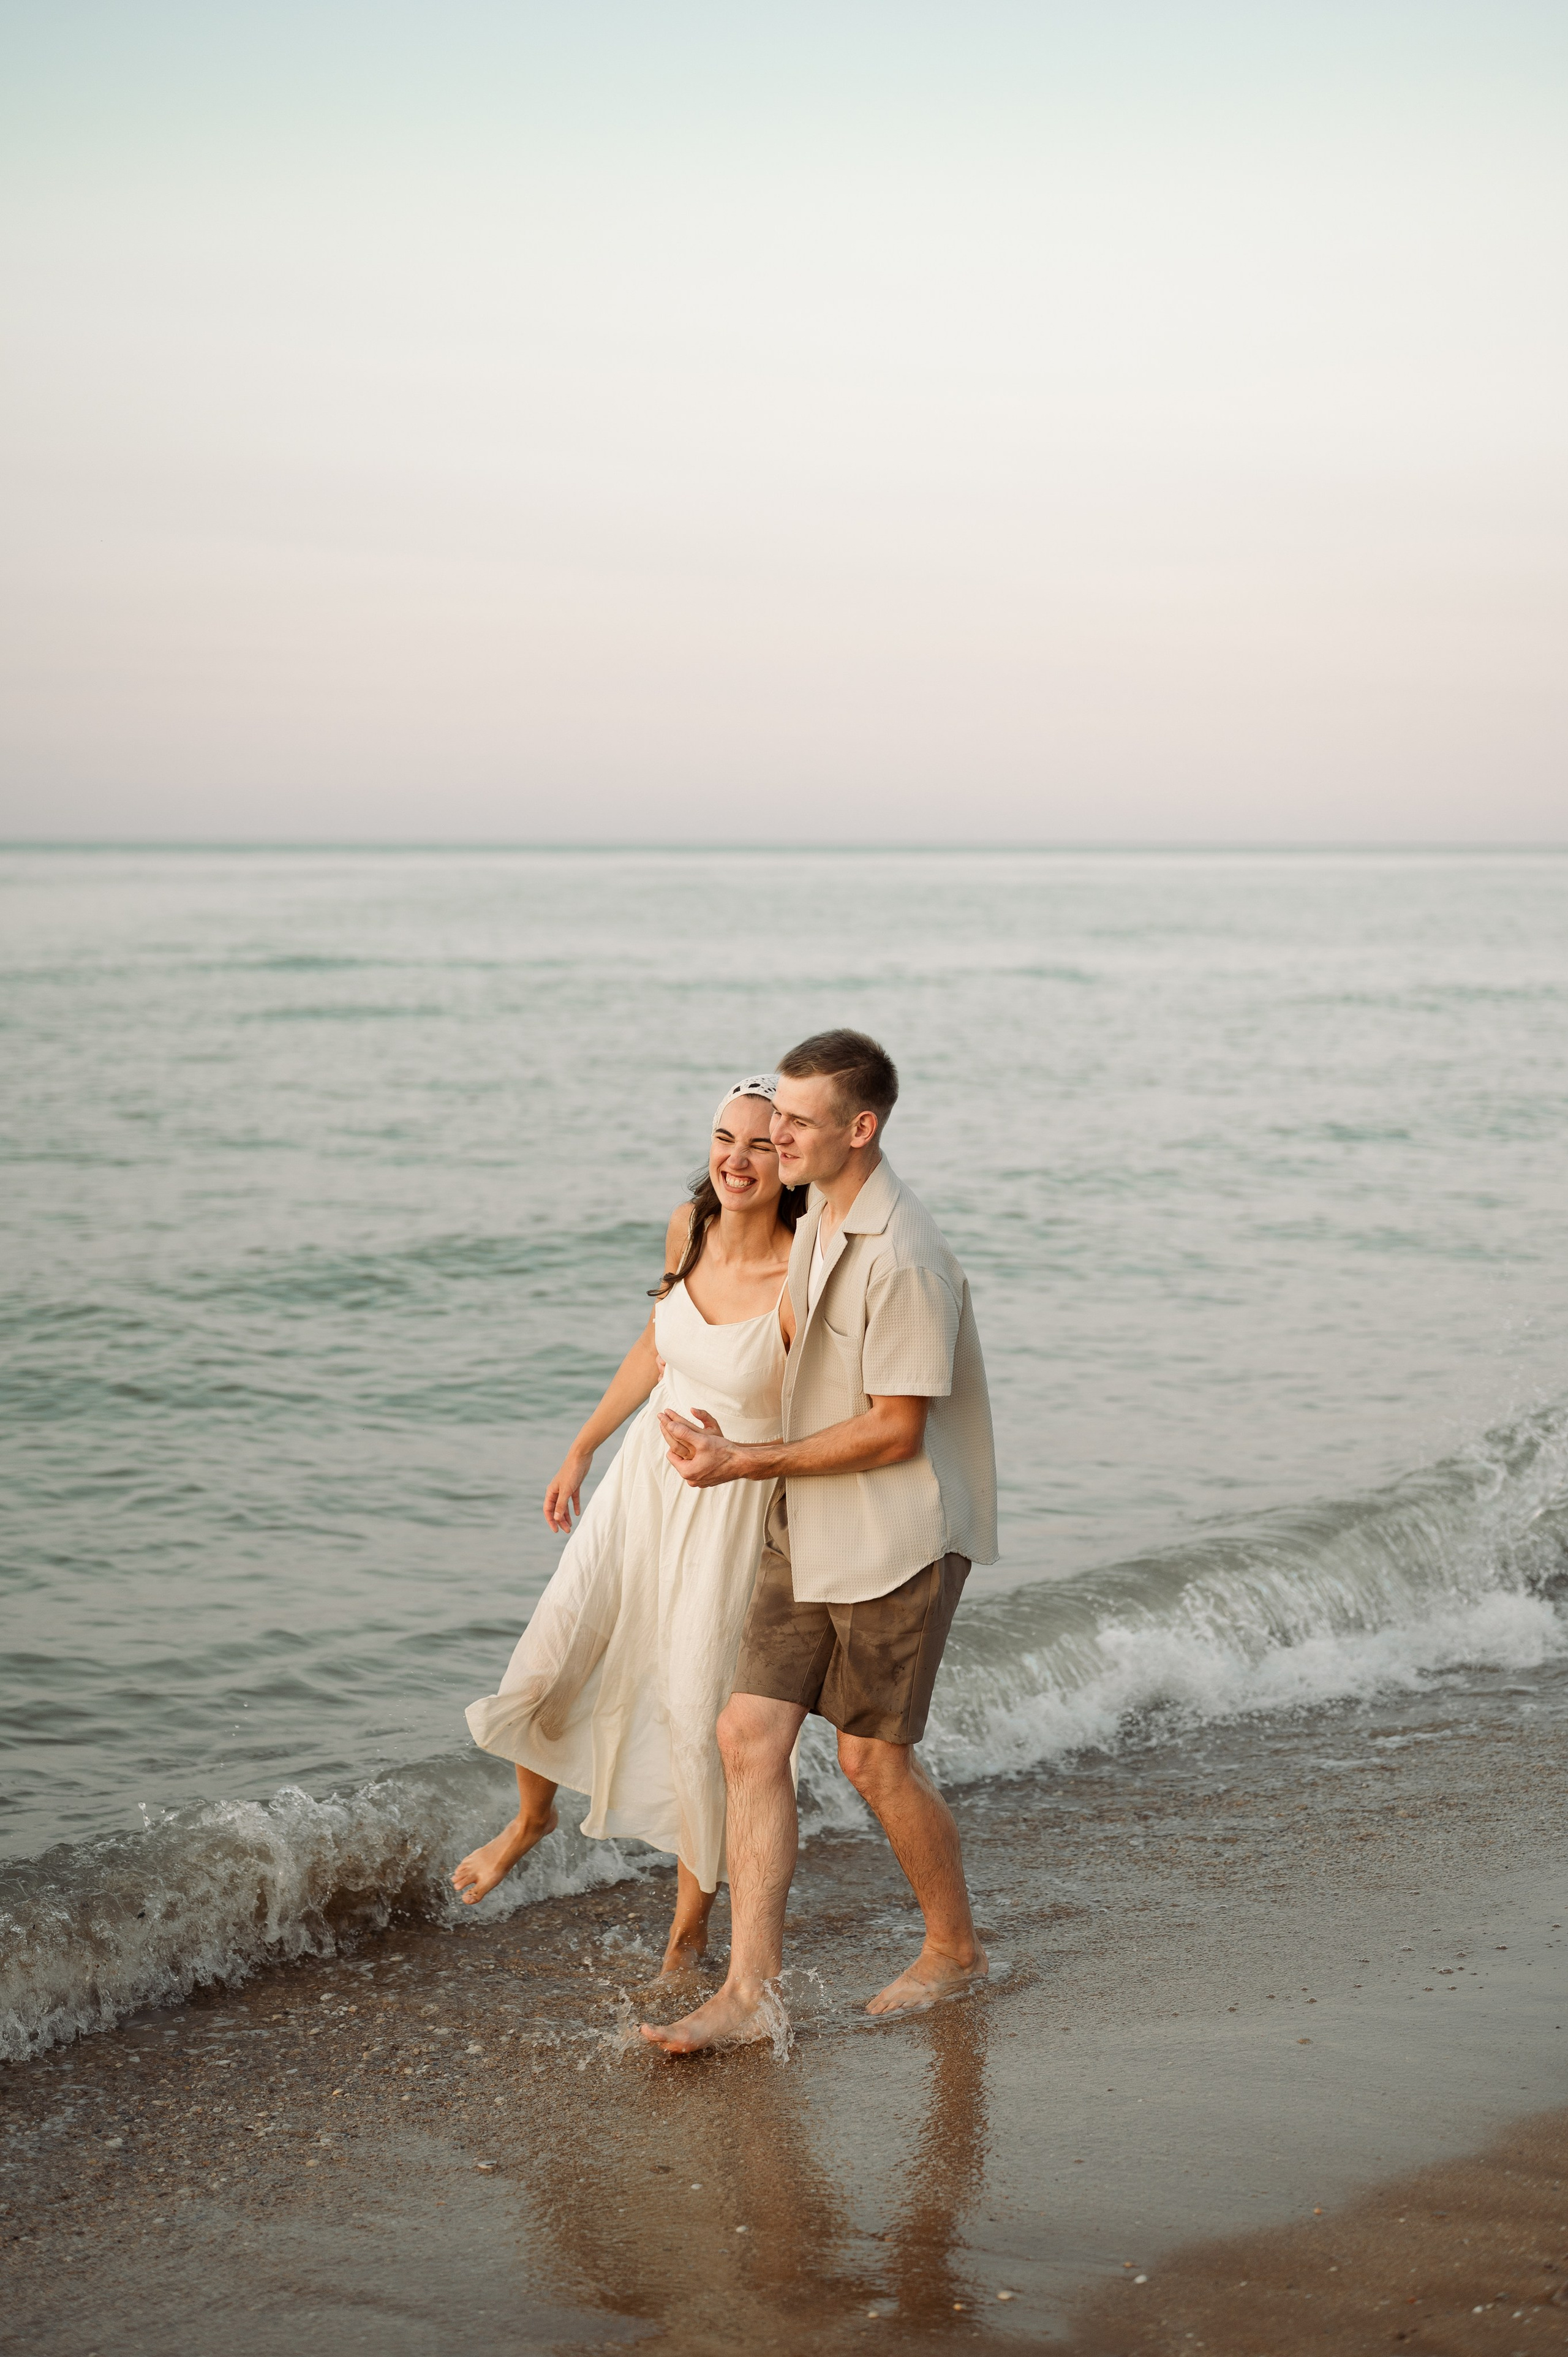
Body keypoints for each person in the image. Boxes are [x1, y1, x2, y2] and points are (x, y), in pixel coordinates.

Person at [641, 1028, 998, 2053]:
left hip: (901, 1534)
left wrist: (747, 1463)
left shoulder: (910, 1256)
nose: (775, 1134)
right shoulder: (819, 1223)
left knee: (872, 1762)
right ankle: (750, 1993)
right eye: (771, 1118)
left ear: (861, 1126)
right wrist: (716, 1418)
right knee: (747, 1736)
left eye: (795, 1121)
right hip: (809, 1519)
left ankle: (954, 1949)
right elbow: (791, 1359)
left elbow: (896, 1428)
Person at [454, 1077, 804, 1977]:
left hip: (730, 1509)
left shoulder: (806, 1269)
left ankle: (686, 1938)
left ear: (790, 1160)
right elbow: (657, 1345)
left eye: (760, 1145)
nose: (735, 1159)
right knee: (554, 1651)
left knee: (695, 1714)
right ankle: (531, 1818)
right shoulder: (687, 1228)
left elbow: (829, 1407)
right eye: (725, 1139)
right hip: (642, 1484)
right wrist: (580, 1449)